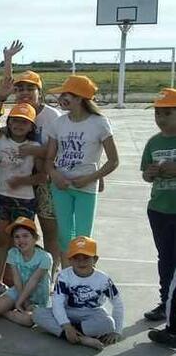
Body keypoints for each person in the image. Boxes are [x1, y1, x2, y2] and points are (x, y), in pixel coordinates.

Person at [0, 42, 63, 272]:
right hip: (19, 181)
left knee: (49, 228)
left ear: (39, 91)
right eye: (20, 89)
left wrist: (37, 151)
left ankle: (52, 270)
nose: (24, 93)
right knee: (19, 231)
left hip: (45, 180)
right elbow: (6, 85)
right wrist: (7, 60)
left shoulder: (52, 116)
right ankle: (18, 273)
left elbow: (62, 151)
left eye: (30, 88)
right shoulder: (16, 114)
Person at [44, 76, 120, 261]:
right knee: (64, 236)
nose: (61, 98)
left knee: (83, 238)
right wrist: (55, 175)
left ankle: (84, 279)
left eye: (66, 94)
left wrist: (89, 178)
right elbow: (48, 159)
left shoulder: (99, 123)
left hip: (85, 188)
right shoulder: (59, 123)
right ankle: (66, 279)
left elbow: (113, 161)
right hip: (61, 187)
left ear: (79, 98)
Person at [0, 94, 44, 283]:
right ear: (9, 123)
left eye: (24, 122)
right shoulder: (0, 140)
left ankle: (17, 283)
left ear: (31, 126)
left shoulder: (34, 147)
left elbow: (43, 176)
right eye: (15, 121)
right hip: (0, 197)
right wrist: (1, 98)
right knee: (1, 241)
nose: (19, 125)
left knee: (21, 244)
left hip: (24, 201)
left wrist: (22, 181)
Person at [33, 236, 124, 351]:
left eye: (86, 258)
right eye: (76, 258)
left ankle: (69, 334)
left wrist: (117, 331)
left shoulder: (103, 280)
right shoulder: (64, 276)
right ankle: (83, 339)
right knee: (38, 313)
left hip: (93, 313)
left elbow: (117, 303)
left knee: (109, 324)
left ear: (95, 259)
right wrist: (66, 325)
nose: (81, 262)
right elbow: (57, 303)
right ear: (70, 260)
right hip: (69, 312)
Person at [0, 217, 51, 326]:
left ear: (35, 238)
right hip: (18, 291)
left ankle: (3, 311)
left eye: (25, 236)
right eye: (17, 237)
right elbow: (17, 280)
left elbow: (33, 281)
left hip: (37, 297)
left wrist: (21, 303)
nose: (21, 240)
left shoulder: (45, 257)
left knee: (28, 321)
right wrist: (22, 302)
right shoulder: (13, 253)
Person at [141, 88, 176, 321]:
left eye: (167, 113)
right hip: (159, 209)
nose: (160, 119)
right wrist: (151, 173)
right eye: (157, 114)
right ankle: (166, 302)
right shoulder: (153, 142)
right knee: (165, 258)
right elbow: (145, 173)